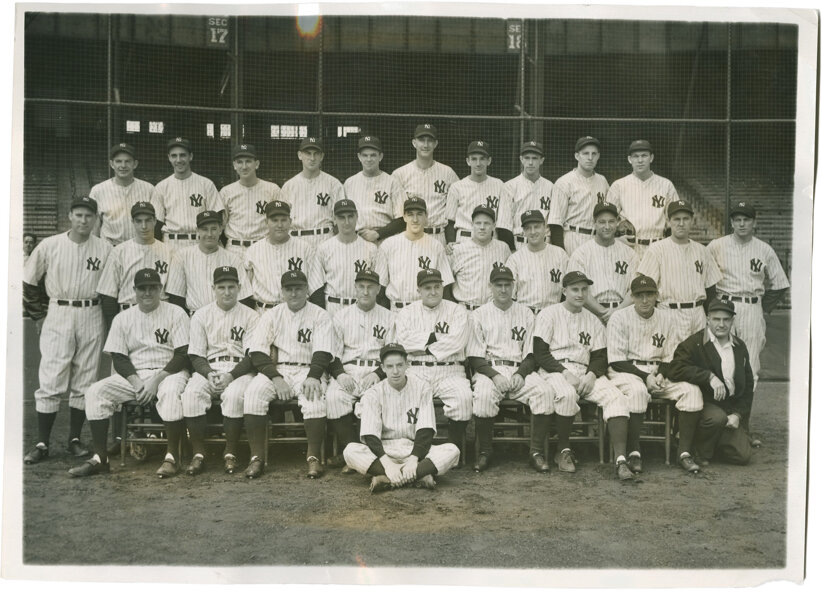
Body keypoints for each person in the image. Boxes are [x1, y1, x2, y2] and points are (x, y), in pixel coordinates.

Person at [67, 268, 191, 478]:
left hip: (169, 372)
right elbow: (119, 356)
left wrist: (155, 381)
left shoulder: (176, 313)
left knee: (170, 393)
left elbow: (182, 354)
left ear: (161, 289)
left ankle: (172, 457)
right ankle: (100, 459)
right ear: (134, 290)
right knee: (95, 392)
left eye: (153, 288)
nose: (148, 293)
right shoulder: (123, 318)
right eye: (142, 288)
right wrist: (137, 383)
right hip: (136, 374)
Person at [23, 196, 112, 465]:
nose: (84, 220)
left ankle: (74, 439)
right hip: (58, 310)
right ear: (69, 216)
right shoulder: (50, 245)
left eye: (89, 216)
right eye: (79, 215)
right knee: (52, 376)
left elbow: (111, 287)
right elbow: (28, 283)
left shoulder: (105, 247)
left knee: (85, 378)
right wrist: (39, 317)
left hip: (91, 310)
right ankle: (42, 443)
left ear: (95, 219)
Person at [533, 270, 634, 481]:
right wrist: (563, 372)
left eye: (584, 289)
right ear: (564, 291)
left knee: (616, 398)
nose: (580, 294)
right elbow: (540, 353)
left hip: (584, 371)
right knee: (567, 395)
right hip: (555, 369)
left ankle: (621, 460)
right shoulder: (548, 314)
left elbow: (600, 356)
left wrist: (591, 375)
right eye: (575, 289)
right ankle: (563, 451)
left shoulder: (593, 320)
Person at [241, 270, 335, 480]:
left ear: (307, 290)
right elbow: (257, 351)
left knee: (314, 398)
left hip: (308, 369)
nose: (294, 293)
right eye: (289, 289)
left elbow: (323, 351)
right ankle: (256, 457)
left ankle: (313, 457)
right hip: (279, 369)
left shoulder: (320, 314)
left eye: (298, 288)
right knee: (253, 393)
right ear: (282, 291)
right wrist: (275, 378)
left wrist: (313, 376)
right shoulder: (272, 315)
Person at [606, 276, 704, 474]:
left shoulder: (668, 317)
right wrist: (646, 377)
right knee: (637, 391)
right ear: (631, 297)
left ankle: (683, 453)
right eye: (639, 295)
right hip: (627, 371)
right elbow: (616, 359)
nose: (644, 300)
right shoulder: (619, 317)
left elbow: (672, 354)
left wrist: (660, 374)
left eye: (649, 294)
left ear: (657, 295)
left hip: (658, 372)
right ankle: (634, 451)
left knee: (692, 392)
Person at [466, 266, 556, 473]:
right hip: (490, 369)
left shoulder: (526, 313)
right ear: (491, 287)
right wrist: (495, 376)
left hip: (518, 369)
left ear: (514, 287)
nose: (504, 290)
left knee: (544, 391)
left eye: (508, 285)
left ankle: (536, 452)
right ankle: (485, 451)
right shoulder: (478, 315)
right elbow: (474, 356)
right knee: (483, 395)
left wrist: (521, 373)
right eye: (499, 285)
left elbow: (532, 354)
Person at [343, 343, 460, 492]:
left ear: (407, 365)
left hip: (414, 449)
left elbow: (426, 429)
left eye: (399, 365)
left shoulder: (422, 387)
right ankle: (418, 475)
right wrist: (388, 465)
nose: (395, 371)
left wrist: (413, 459)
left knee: (452, 450)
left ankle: (387, 479)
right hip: (385, 450)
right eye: (390, 366)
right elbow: (370, 435)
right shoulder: (373, 393)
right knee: (350, 451)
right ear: (383, 368)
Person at [182, 266, 260, 475]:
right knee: (191, 395)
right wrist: (208, 373)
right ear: (213, 289)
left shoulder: (251, 315)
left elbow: (252, 355)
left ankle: (230, 452)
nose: (227, 292)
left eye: (231, 287)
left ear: (239, 288)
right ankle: (198, 454)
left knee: (235, 395)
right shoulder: (201, 315)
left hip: (239, 370)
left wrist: (230, 376)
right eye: (222, 287)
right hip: (209, 367)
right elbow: (196, 354)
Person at [660, 298, 754, 467]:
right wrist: (708, 376)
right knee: (716, 419)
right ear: (708, 319)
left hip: (729, 408)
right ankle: (697, 449)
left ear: (732, 321)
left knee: (743, 456)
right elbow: (674, 369)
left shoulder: (739, 346)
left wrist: (738, 415)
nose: (721, 324)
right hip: (705, 404)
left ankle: (714, 442)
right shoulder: (695, 343)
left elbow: (748, 387)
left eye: (726, 319)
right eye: (716, 319)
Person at [707, 201, 790, 388]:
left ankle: (742, 415)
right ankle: (723, 413)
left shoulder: (764, 249)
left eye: (746, 219)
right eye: (737, 220)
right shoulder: (716, 246)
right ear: (731, 223)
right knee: (721, 359)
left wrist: (761, 308)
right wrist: (712, 305)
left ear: (754, 222)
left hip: (751, 306)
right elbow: (704, 278)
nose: (742, 224)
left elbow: (780, 284)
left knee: (750, 364)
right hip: (723, 304)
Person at [394, 268, 472, 456]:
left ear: (443, 287)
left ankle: (453, 449)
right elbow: (403, 342)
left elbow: (457, 342)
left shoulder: (457, 310)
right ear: (419, 290)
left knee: (463, 399)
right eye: (427, 287)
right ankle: (414, 450)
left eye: (437, 286)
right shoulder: (406, 312)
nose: (433, 291)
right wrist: (435, 337)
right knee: (405, 402)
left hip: (450, 370)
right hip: (416, 369)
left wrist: (422, 346)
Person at [325, 268, 395, 470]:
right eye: (361, 287)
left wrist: (378, 373)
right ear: (355, 288)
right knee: (334, 398)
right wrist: (340, 375)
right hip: (348, 369)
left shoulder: (389, 317)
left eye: (370, 287)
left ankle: (369, 454)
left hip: (376, 370)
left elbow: (391, 351)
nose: (366, 291)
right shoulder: (341, 316)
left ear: (378, 289)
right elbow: (333, 352)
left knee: (372, 402)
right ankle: (351, 452)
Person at [637, 199, 721, 349]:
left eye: (685, 219)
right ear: (668, 221)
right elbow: (645, 288)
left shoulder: (703, 251)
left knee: (699, 362)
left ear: (692, 221)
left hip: (697, 313)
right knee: (670, 362)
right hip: (668, 312)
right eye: (676, 219)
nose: (681, 223)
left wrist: (711, 318)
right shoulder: (657, 249)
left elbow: (711, 291)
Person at [96, 201, 176, 329]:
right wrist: (113, 327)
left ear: (155, 221)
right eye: (138, 221)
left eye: (148, 220)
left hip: (162, 315)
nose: (144, 226)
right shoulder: (119, 252)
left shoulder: (169, 252)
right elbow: (108, 295)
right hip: (128, 315)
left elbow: (175, 294)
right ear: (132, 222)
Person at [374, 196, 454, 311]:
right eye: (410, 214)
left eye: (419, 214)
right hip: (397, 310)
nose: (415, 219)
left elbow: (445, 288)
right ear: (404, 217)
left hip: (426, 311)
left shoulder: (436, 246)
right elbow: (380, 289)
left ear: (426, 216)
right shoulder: (388, 245)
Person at [164, 211, 252, 314]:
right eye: (204, 229)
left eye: (214, 229)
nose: (209, 234)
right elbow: (176, 297)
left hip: (226, 317)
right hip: (194, 316)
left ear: (220, 230)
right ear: (197, 231)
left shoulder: (233, 259)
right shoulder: (182, 256)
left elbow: (244, 297)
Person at [244, 200, 322, 313]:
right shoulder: (253, 251)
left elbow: (316, 288)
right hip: (264, 312)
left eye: (284, 220)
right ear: (266, 222)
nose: (280, 225)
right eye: (274, 220)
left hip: (298, 312)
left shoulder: (305, 249)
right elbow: (246, 293)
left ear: (290, 221)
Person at [606, 139, 679, 258]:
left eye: (644, 156)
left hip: (658, 247)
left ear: (651, 158)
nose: (640, 160)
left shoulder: (666, 185)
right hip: (628, 247)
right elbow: (607, 219)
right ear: (629, 159)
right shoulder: (618, 186)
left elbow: (674, 219)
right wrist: (616, 240)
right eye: (635, 156)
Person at [567, 201, 637, 324]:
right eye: (602, 222)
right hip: (590, 315)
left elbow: (634, 289)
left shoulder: (629, 254)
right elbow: (578, 290)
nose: (607, 226)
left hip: (624, 314)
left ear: (617, 222)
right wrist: (603, 312)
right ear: (594, 224)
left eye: (611, 221)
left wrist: (617, 311)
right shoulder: (581, 254)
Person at [392, 123, 459, 247]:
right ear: (414, 143)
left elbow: (456, 211)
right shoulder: (399, 174)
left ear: (436, 144)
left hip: (439, 235)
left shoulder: (448, 173)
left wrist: (451, 240)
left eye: (430, 141)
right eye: (422, 140)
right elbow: (397, 215)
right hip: (411, 235)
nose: (426, 145)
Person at [151, 137, 224, 250]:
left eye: (183, 155)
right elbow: (157, 223)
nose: (179, 160)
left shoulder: (206, 184)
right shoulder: (161, 187)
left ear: (190, 156)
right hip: (171, 243)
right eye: (174, 156)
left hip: (199, 242)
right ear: (169, 158)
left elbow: (217, 218)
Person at [314, 199, 378, 316]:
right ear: (335, 219)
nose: (347, 222)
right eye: (342, 217)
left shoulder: (371, 249)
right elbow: (316, 287)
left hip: (362, 308)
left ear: (357, 216)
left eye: (350, 216)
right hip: (333, 307)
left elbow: (377, 288)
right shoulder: (323, 249)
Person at [547, 136, 609, 255]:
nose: (590, 158)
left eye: (594, 154)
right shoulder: (564, 182)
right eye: (585, 153)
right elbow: (555, 223)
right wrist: (560, 252)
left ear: (598, 156)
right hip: (573, 237)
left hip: (597, 238)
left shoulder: (602, 181)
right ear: (577, 156)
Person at [279, 137, 344, 248]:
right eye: (308, 153)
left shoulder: (333, 184)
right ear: (300, 155)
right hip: (296, 239)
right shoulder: (289, 186)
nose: (312, 158)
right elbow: (281, 220)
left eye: (316, 154)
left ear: (322, 156)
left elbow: (341, 218)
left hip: (325, 238)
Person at [445, 140, 512, 248]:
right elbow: (449, 221)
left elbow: (503, 223)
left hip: (491, 240)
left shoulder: (499, 185)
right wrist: (450, 242)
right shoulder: (457, 187)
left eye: (482, 159)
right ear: (468, 161)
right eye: (474, 159)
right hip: (464, 239)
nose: (478, 163)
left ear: (489, 161)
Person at [220, 143, 281, 259]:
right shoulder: (226, 192)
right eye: (239, 162)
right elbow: (220, 225)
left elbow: (281, 221)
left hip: (263, 247)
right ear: (234, 165)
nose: (244, 166)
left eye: (248, 161)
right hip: (234, 249)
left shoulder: (272, 189)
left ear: (256, 164)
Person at [343, 135, 406, 244]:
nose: (369, 159)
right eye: (365, 155)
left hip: (385, 240)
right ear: (359, 156)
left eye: (373, 155)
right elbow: (341, 216)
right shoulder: (349, 183)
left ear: (380, 156)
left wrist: (378, 233)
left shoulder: (392, 182)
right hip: (358, 239)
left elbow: (402, 220)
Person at [90, 142, 155, 246]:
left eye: (127, 161)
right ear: (112, 164)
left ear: (135, 164)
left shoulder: (149, 189)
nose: (123, 166)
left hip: (140, 247)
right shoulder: (98, 190)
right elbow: (95, 226)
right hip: (110, 248)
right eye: (118, 161)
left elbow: (154, 223)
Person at [448, 205, 511, 311]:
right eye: (478, 223)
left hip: (493, 311)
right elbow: (445, 283)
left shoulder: (503, 249)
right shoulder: (458, 250)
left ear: (494, 226)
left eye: (486, 223)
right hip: (465, 310)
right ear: (472, 225)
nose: (482, 227)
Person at [505, 210, 568, 313]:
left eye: (537, 226)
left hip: (552, 314)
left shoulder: (560, 255)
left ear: (545, 227)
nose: (533, 232)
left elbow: (569, 291)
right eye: (528, 228)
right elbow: (509, 297)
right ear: (524, 231)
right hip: (524, 314)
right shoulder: (515, 259)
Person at [501, 140, 554, 250]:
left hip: (545, 245)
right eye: (527, 158)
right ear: (521, 159)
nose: (530, 162)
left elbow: (554, 222)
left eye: (534, 158)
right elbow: (504, 224)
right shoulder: (509, 186)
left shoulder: (551, 187)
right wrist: (512, 250)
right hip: (519, 243)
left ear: (541, 160)